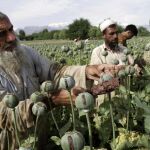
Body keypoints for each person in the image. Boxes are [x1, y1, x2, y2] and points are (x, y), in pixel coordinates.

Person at [0, 12, 123, 150]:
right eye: (1, 34)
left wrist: (87, 70)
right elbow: (3, 114)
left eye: (11, 29)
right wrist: (52, 101)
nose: (11, 37)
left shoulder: (24, 52)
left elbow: (56, 72)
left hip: (40, 139)